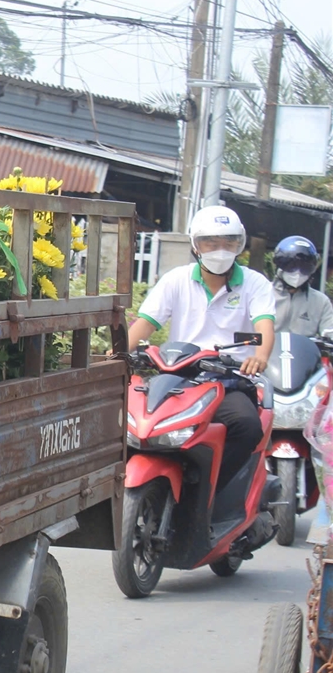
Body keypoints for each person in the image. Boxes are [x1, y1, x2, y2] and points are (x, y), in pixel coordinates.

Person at [127, 205, 275, 489]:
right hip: (178, 378)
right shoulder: (176, 279)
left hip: (229, 380)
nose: (220, 249)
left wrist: (260, 356)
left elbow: (264, 325)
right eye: (211, 241)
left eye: (228, 241)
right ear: (196, 245)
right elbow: (145, 324)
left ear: (239, 245)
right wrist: (116, 353)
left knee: (247, 427)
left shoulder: (255, 284)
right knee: (134, 422)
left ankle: (209, 492)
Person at [271, 235, 333, 338]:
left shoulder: (321, 301)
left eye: (305, 267)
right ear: (279, 265)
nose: (298, 273)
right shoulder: (262, 293)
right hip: (266, 353)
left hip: (304, 353)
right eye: (291, 266)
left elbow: (329, 330)